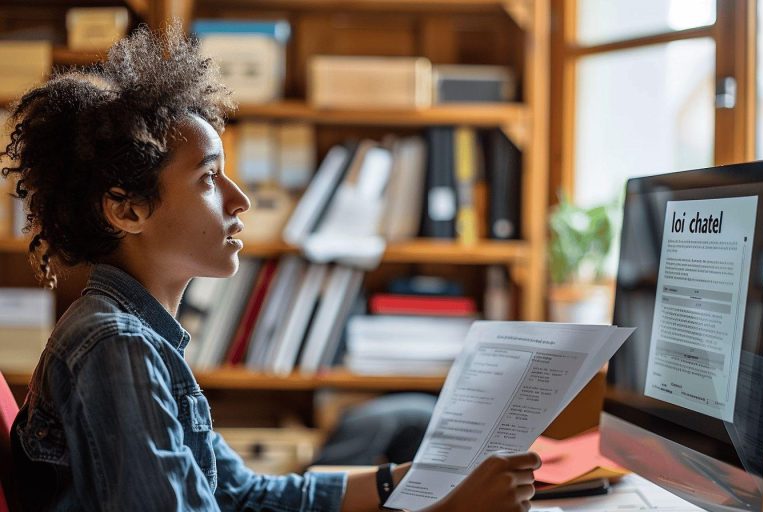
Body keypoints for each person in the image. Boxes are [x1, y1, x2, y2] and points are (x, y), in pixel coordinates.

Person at [1, 23, 540, 511]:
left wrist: (412, 480)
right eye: (209, 178)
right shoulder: (114, 345)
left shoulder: (138, 338)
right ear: (128, 209)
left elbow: (244, 495)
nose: (241, 201)